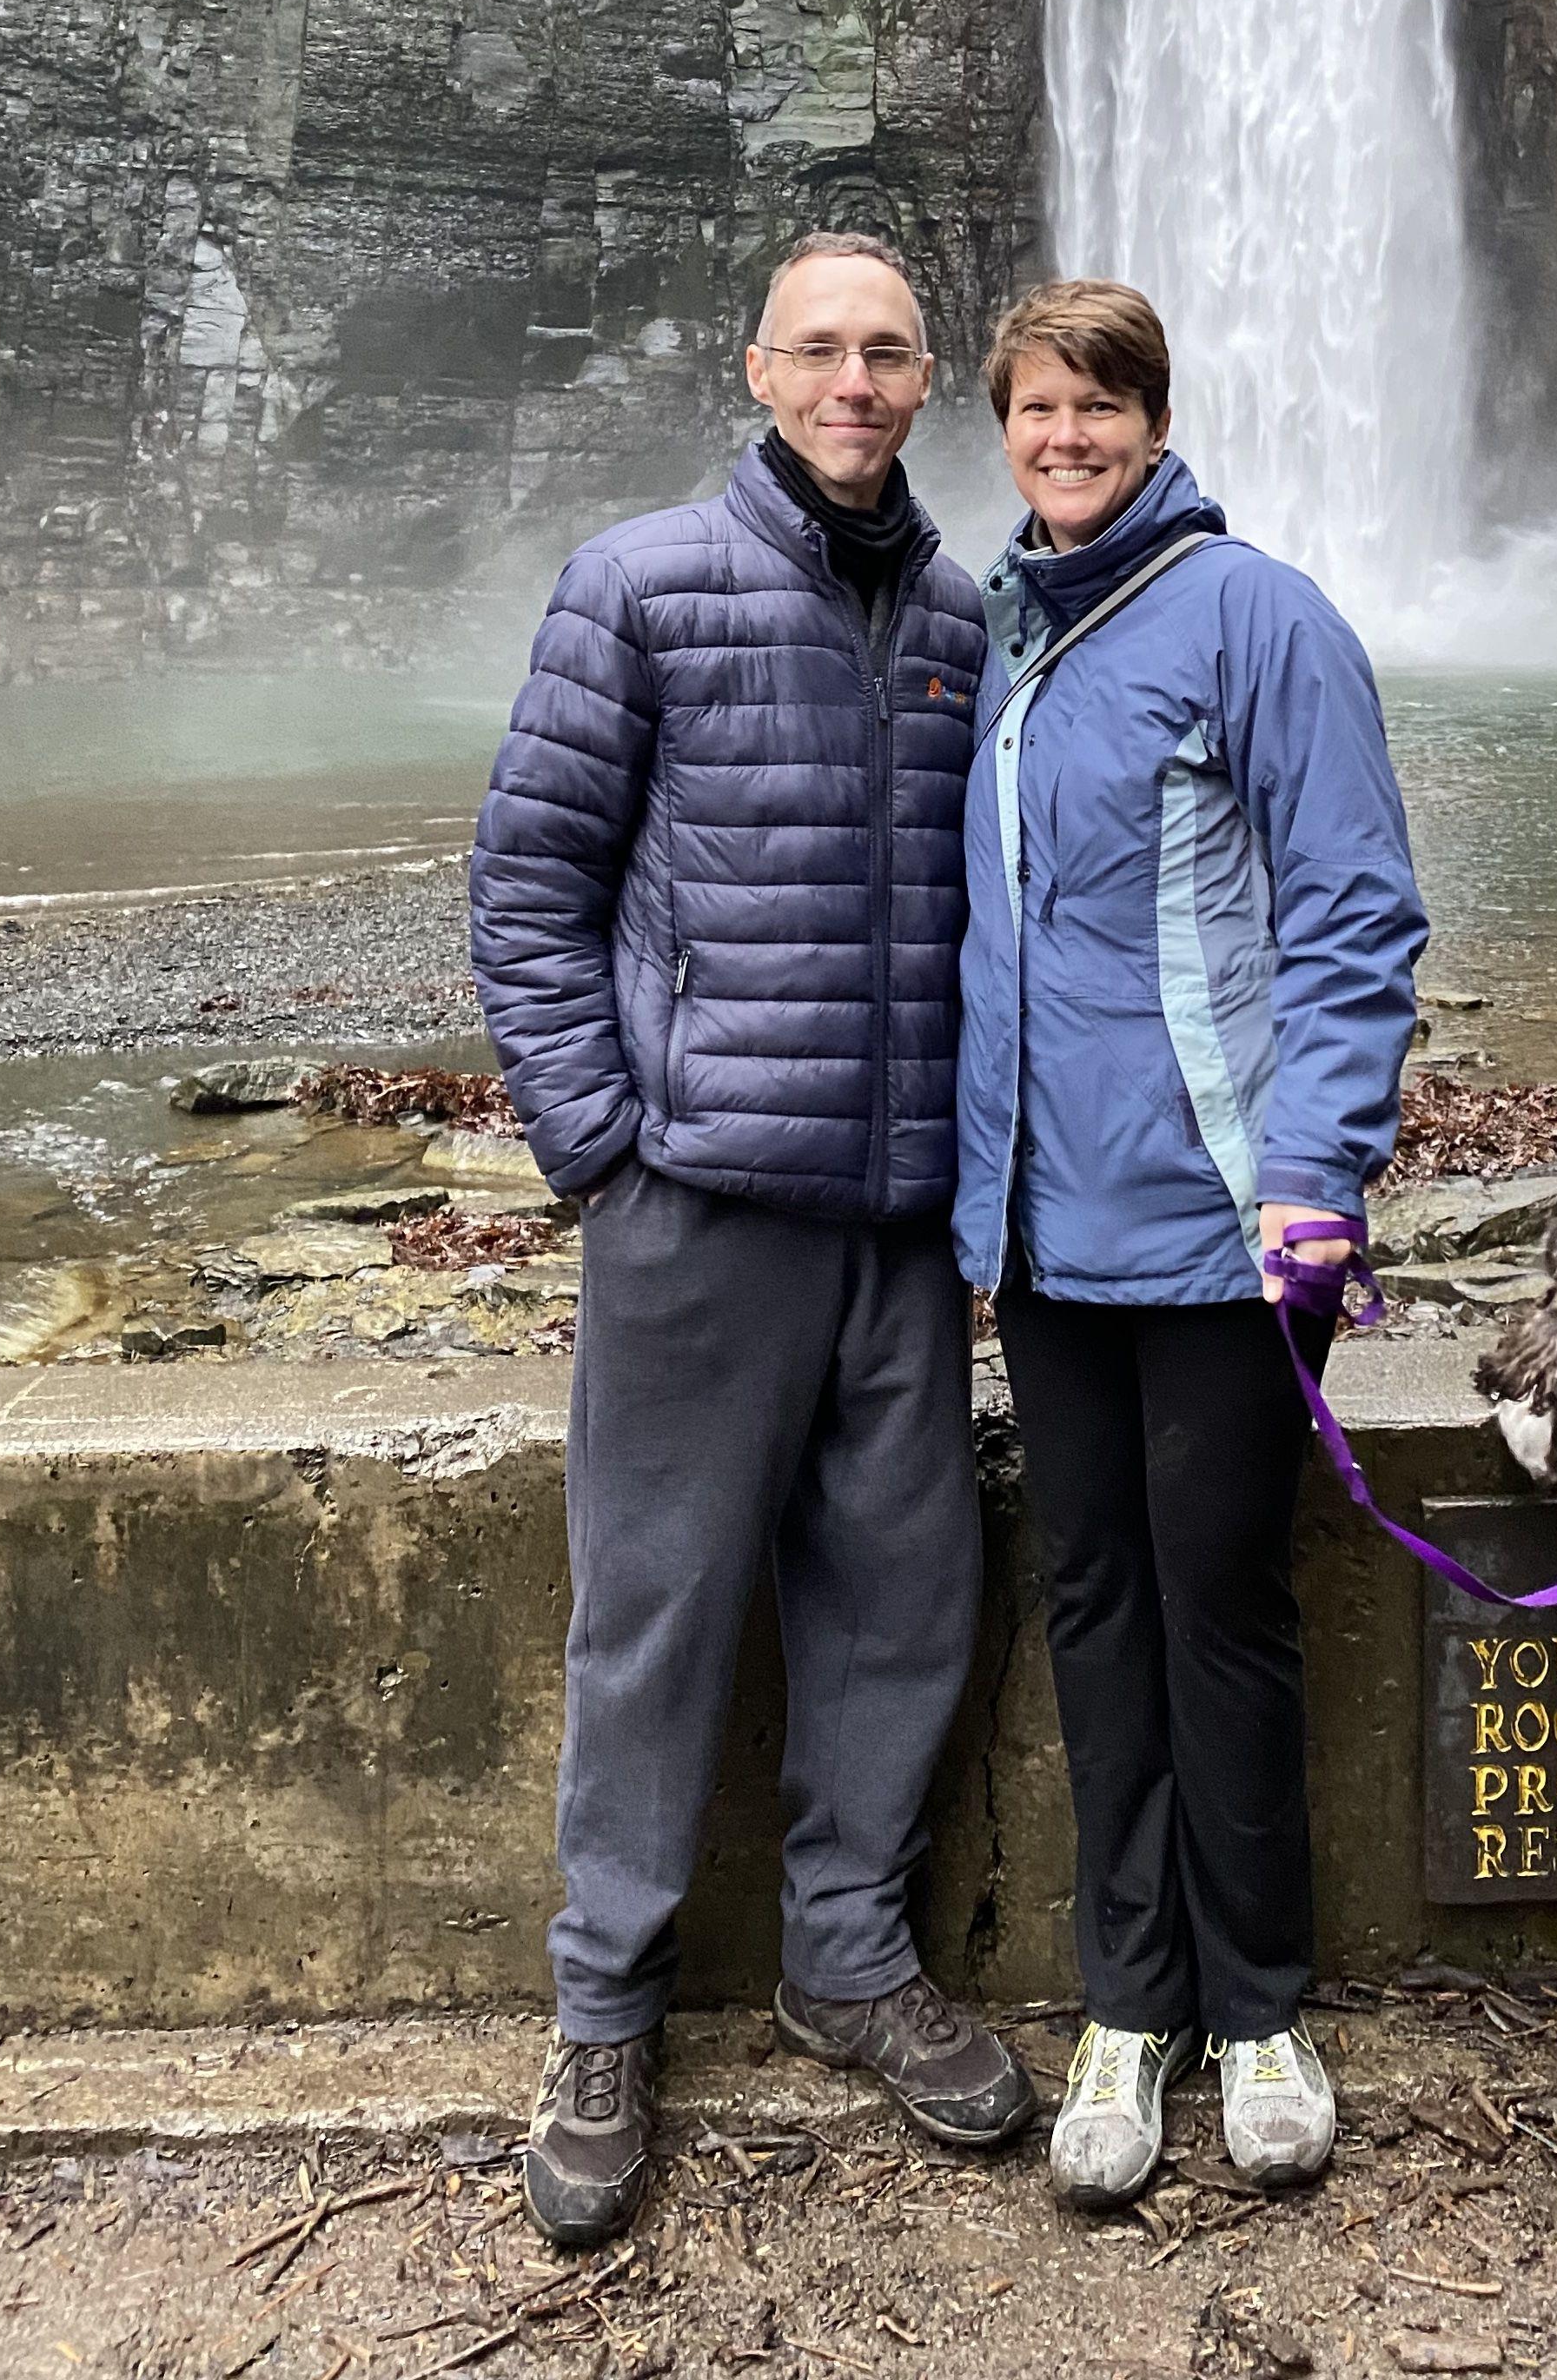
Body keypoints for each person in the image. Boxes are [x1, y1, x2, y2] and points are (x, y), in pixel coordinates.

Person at [472, 230, 1039, 2251]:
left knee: (902, 1600)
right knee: (655, 1611)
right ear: (759, 372)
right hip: (698, 1206)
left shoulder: (967, 618)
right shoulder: (639, 581)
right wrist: (603, 1152)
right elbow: (526, 886)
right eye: (825, 352)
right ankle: (604, 2011)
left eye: (892, 354)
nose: (860, 384)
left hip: (895, 1220)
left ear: (928, 385)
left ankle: (848, 1958)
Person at [951, 280, 1428, 2206]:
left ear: (1156, 417)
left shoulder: (1258, 618)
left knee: (1222, 1613)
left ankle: (1260, 2012)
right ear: (1002, 428)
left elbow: (1355, 911)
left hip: (1230, 1233)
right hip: (1045, 1234)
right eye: (1037, 408)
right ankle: (1125, 2008)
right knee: (1093, 1607)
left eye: (1099, 405)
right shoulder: (1009, 630)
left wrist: (1318, 1167)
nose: (1066, 436)